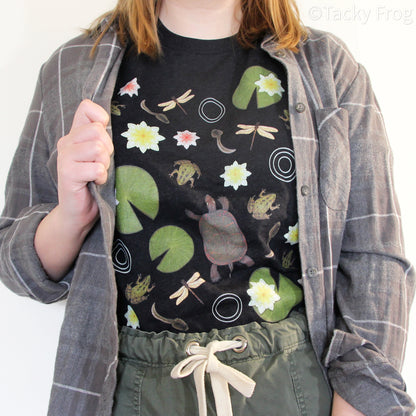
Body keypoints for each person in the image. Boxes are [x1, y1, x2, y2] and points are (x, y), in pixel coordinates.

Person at [0, 0, 414, 415]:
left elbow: (374, 255)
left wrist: (359, 405)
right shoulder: (73, 68)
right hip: (128, 392)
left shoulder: (328, 69)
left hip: (290, 389)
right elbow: (17, 266)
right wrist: (73, 215)